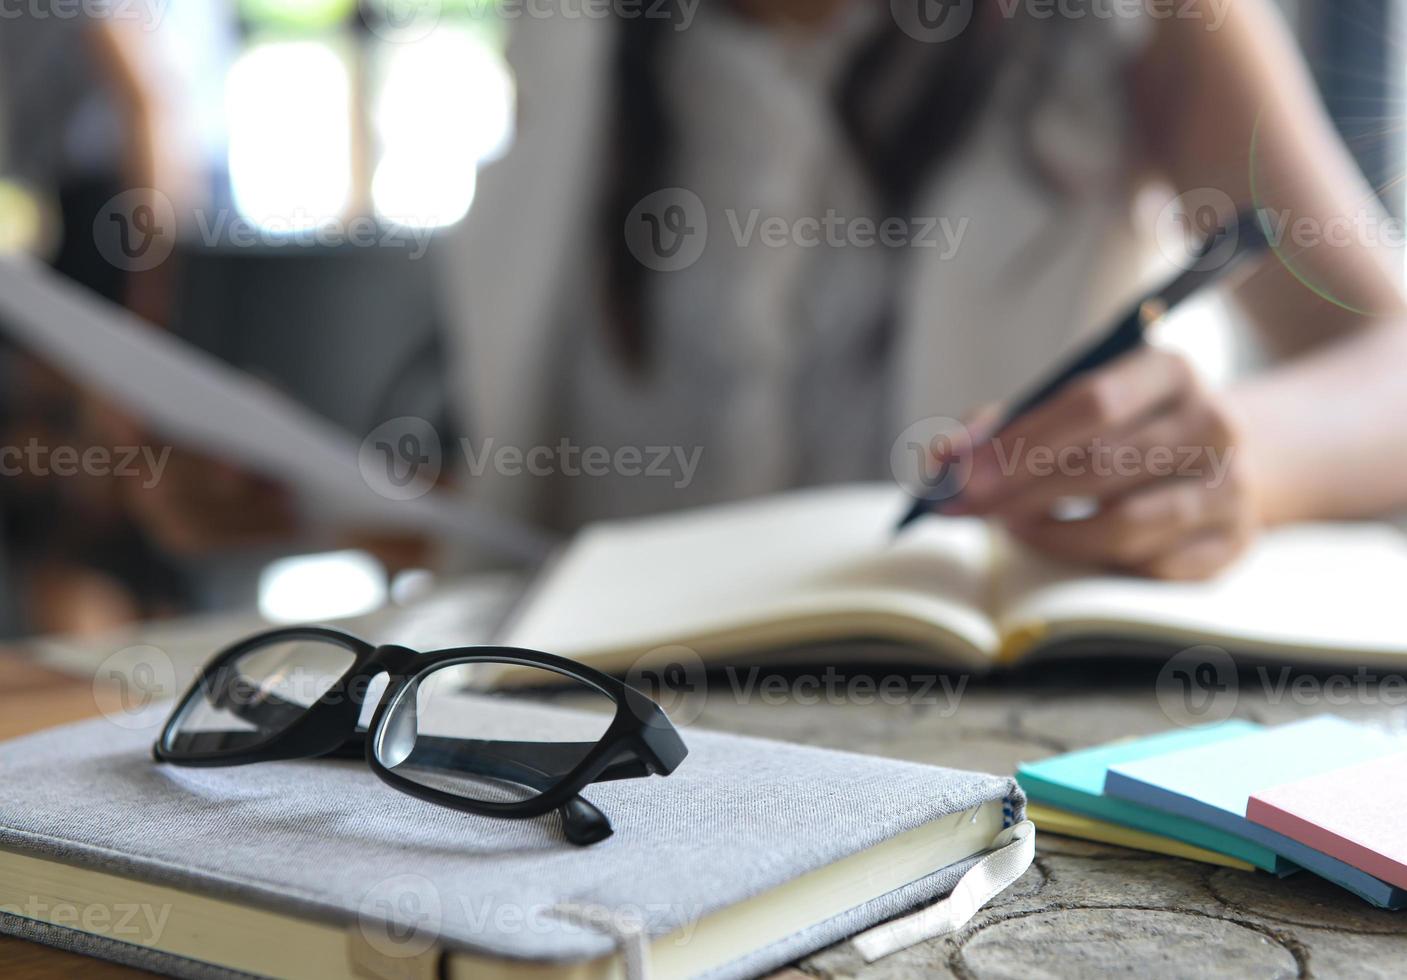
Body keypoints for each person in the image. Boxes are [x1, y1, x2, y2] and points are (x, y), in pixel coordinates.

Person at [138, 0, 1407, 582]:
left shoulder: (1143, 26)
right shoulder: (565, 35)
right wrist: (324, 497)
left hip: (990, 763)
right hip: (578, 750)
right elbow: (576, 516)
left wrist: (1242, 452)